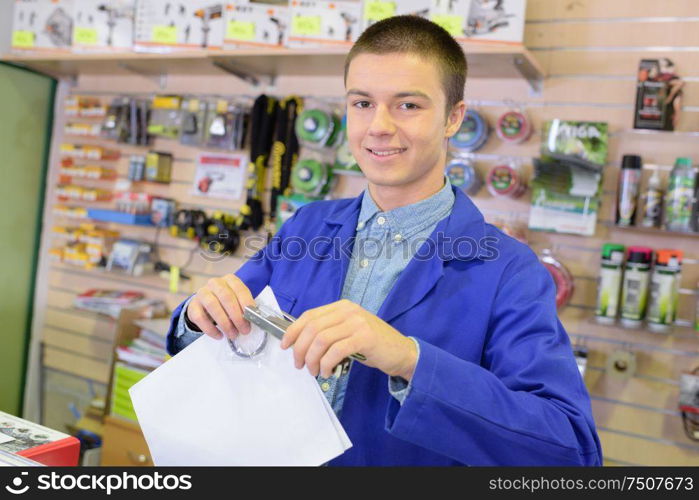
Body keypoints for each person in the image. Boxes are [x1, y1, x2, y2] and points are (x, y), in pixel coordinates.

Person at [166, 15, 603, 466]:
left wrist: (410, 360)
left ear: (454, 117)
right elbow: (221, 330)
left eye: (408, 105)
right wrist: (198, 317)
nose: (378, 126)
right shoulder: (307, 227)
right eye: (362, 103)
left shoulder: (509, 271)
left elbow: (570, 450)